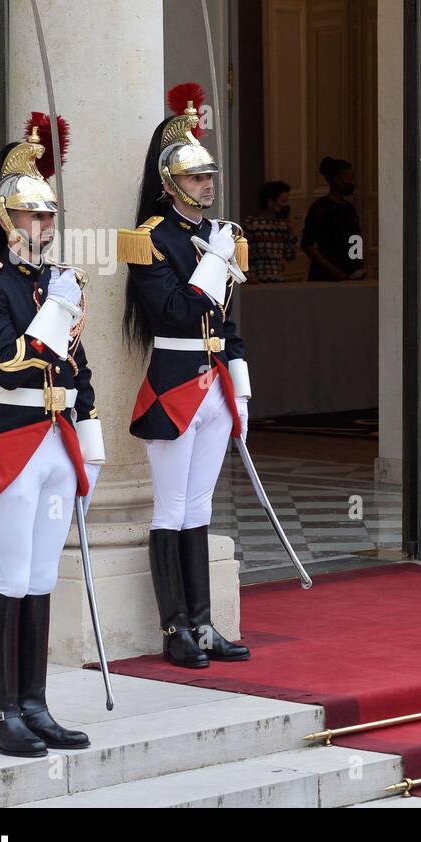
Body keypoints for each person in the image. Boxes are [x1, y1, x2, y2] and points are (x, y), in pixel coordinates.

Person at [0, 118, 105, 757]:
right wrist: (56, 310)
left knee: (43, 574)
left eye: (48, 219)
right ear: (4, 217)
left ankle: (34, 704)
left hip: (56, 439)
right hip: (11, 437)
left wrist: (89, 439)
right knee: (10, 575)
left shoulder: (54, 282)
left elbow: (79, 368)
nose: (42, 229)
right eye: (30, 217)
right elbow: (3, 360)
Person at [119, 83, 252, 668]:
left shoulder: (217, 234)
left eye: (209, 176)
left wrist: (241, 388)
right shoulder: (150, 240)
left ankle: (202, 625)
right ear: (171, 182)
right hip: (174, 383)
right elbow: (172, 312)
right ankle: (173, 627)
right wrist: (216, 261)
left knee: (200, 509)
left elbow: (226, 320)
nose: (208, 185)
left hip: (217, 382)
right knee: (170, 508)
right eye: (197, 178)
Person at [301, 156, 365, 282]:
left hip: (349, 273)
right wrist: (332, 270)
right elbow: (307, 245)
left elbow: (355, 238)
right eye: (348, 179)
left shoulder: (349, 208)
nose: (351, 184)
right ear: (336, 179)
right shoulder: (321, 207)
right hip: (324, 275)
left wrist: (358, 266)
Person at [245, 180, 299, 283]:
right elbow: (238, 255)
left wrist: (291, 233)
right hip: (256, 281)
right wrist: (247, 277)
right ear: (270, 202)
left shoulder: (283, 226)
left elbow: (290, 256)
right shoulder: (251, 224)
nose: (285, 206)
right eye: (283, 202)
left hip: (277, 280)